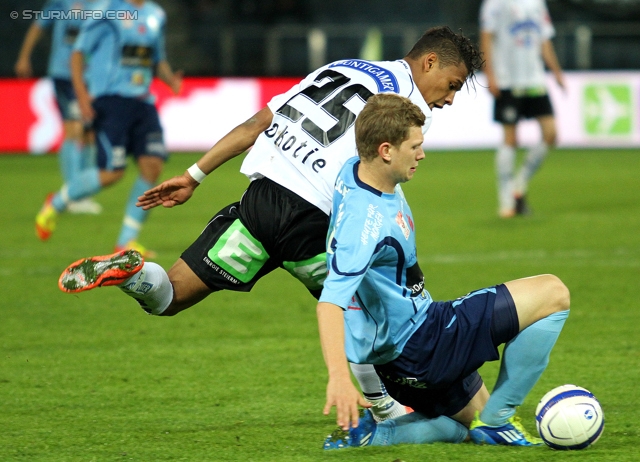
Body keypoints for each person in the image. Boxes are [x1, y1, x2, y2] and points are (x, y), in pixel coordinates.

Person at [57, 26, 483, 422]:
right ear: (428, 62)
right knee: (364, 313)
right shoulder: (400, 102)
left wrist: (192, 176)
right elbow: (376, 170)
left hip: (260, 202)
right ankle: (387, 414)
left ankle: (133, 275)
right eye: (451, 85)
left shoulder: (341, 67)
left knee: (170, 295)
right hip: (316, 217)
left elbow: (257, 124)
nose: (448, 99)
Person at [317, 93, 570, 450]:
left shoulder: (352, 170)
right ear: (386, 150)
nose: (422, 155)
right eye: (415, 146)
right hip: (424, 341)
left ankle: (380, 436)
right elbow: (329, 303)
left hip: (397, 364)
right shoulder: (366, 224)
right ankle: (500, 421)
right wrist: (339, 378)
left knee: (471, 424)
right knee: (554, 293)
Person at [35, 0, 182, 258]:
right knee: (111, 172)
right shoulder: (106, 9)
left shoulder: (156, 14)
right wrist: (82, 96)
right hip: (111, 101)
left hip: (143, 102)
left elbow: (157, 58)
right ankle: (56, 203)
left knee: (153, 166)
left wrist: (170, 80)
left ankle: (125, 241)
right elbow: (78, 52)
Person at [16, 0, 106, 215]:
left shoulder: (107, 5)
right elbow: (39, 25)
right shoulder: (63, 3)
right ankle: (71, 195)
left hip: (92, 78)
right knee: (74, 129)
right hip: (65, 76)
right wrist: (24, 57)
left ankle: (82, 192)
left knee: (91, 135)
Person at [479, 0, 565, 217]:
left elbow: (544, 39)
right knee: (511, 139)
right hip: (508, 80)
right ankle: (506, 200)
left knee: (551, 134)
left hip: (535, 80)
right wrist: (490, 74)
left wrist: (556, 72)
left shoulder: (537, 3)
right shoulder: (495, 4)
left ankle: (520, 183)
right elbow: (486, 38)